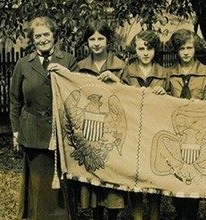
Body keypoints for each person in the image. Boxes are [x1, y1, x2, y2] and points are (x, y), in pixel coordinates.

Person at [9, 16, 78, 220]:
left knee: (62, 184)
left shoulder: (67, 60)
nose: (42, 39)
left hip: (61, 131)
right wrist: (15, 132)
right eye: (37, 36)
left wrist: (65, 73)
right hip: (33, 132)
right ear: (32, 39)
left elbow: (77, 94)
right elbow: (15, 100)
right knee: (39, 183)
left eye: (46, 34)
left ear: (54, 35)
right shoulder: (23, 64)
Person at [76, 20, 127, 220]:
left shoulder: (120, 66)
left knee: (112, 175)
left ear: (108, 40)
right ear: (87, 42)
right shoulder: (80, 67)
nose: (96, 43)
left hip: (112, 129)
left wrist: (117, 81)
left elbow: (129, 97)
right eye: (92, 39)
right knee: (94, 174)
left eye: (101, 38)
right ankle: (96, 215)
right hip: (91, 130)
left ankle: (113, 216)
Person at [167, 28, 206, 220]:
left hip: (197, 134)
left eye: (189, 47)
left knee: (193, 178)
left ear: (195, 49)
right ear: (176, 51)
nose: (186, 52)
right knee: (176, 178)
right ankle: (180, 215)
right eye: (181, 48)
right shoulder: (169, 73)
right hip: (176, 131)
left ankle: (191, 216)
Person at [121, 29, 167, 220]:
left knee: (155, 177)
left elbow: (172, 103)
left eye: (150, 48)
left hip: (155, 131)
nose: (145, 53)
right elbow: (120, 97)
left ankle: (155, 215)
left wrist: (164, 94)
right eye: (141, 48)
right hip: (134, 131)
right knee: (136, 177)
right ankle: (137, 216)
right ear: (135, 50)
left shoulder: (164, 73)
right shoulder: (127, 70)